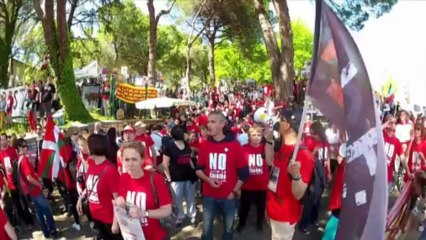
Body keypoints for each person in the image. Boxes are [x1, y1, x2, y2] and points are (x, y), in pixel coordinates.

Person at [196, 111, 249, 240]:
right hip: (208, 197)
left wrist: (233, 192)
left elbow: (244, 173)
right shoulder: (204, 144)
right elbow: (198, 169)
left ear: (222, 124)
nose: (208, 125)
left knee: (228, 230)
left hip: (228, 197)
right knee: (207, 230)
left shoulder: (235, 145)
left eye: (212, 122)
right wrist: (208, 180)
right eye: (208, 122)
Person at [264, 109, 315, 240]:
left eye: (281, 119)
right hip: (273, 206)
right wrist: (269, 141)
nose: (277, 122)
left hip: (285, 213)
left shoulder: (304, 155)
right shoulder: (282, 146)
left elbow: (298, 194)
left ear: (287, 125)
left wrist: (296, 176)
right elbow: (270, 161)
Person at [116, 141, 172, 240]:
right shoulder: (123, 178)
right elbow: (120, 201)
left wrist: (144, 213)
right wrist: (115, 222)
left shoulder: (155, 179)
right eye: (127, 160)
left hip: (156, 236)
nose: (130, 164)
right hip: (132, 235)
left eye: (134, 159)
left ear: (142, 160)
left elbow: (167, 210)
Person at [76, 134, 122, 240]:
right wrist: (81, 197)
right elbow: (90, 185)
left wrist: (115, 222)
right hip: (96, 217)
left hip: (109, 219)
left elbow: (117, 199)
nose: (83, 148)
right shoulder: (91, 163)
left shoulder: (109, 169)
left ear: (94, 147)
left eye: (86, 145)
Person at [16, 138, 60, 238]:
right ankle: (53, 231)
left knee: (39, 213)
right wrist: (39, 184)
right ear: (18, 147)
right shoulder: (24, 160)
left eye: (26, 145)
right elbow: (29, 177)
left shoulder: (20, 159)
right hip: (35, 190)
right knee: (47, 211)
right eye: (23, 146)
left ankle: (45, 232)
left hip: (31, 192)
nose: (25, 147)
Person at [162, 125, 198, 227]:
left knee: (191, 198)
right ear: (179, 134)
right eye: (185, 132)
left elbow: (189, 159)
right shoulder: (169, 147)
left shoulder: (186, 144)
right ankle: (180, 217)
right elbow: (165, 164)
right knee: (178, 201)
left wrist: (194, 170)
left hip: (189, 177)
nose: (187, 134)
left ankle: (192, 215)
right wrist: (169, 177)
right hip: (176, 179)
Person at [236, 127, 270, 233]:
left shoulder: (266, 148)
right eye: (254, 135)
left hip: (262, 184)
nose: (256, 138)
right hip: (247, 184)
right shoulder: (243, 148)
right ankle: (241, 223)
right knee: (245, 206)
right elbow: (238, 166)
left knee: (261, 206)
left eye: (258, 135)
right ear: (249, 137)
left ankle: (259, 223)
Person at [383, 115, 405, 193]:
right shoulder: (381, 135)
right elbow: (373, 133)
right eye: (390, 122)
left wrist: (408, 172)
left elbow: (402, 158)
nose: (392, 124)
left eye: (394, 122)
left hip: (387, 177)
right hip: (376, 175)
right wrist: (385, 124)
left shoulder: (397, 141)